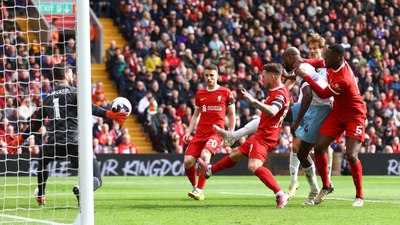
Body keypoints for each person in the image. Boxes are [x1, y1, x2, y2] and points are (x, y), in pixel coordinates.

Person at [7, 63, 128, 206]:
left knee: (43, 160)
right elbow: (90, 108)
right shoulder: (73, 92)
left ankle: (41, 193)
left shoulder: (48, 97)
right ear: (65, 75)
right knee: (97, 178)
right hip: (76, 142)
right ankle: (81, 189)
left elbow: (36, 122)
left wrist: (21, 138)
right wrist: (108, 113)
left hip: (55, 142)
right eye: (70, 73)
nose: (73, 76)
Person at [198, 63, 291, 208]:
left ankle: (280, 194)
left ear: (273, 77)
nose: (262, 79)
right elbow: (289, 83)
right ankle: (210, 170)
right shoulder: (281, 88)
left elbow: (273, 111)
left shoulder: (278, 94)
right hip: (264, 132)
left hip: (265, 136)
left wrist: (254, 102)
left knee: (254, 166)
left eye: (264, 77)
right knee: (235, 153)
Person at [295, 44, 366, 207]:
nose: (324, 58)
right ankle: (326, 186)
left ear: (338, 58)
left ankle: (359, 196)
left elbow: (322, 93)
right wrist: (302, 60)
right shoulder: (331, 62)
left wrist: (305, 76)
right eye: (325, 55)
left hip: (355, 115)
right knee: (319, 148)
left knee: (351, 155)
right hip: (338, 113)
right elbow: (318, 62)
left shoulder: (343, 79)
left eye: (327, 56)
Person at [183, 64, 235, 201]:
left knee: (205, 156)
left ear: (217, 76)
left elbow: (232, 114)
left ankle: (200, 191)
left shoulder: (226, 92)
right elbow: (195, 115)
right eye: (206, 75)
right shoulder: (200, 94)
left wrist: (230, 133)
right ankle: (195, 187)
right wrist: (189, 131)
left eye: (212, 75)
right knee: (187, 161)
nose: (209, 78)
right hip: (200, 133)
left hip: (216, 132)